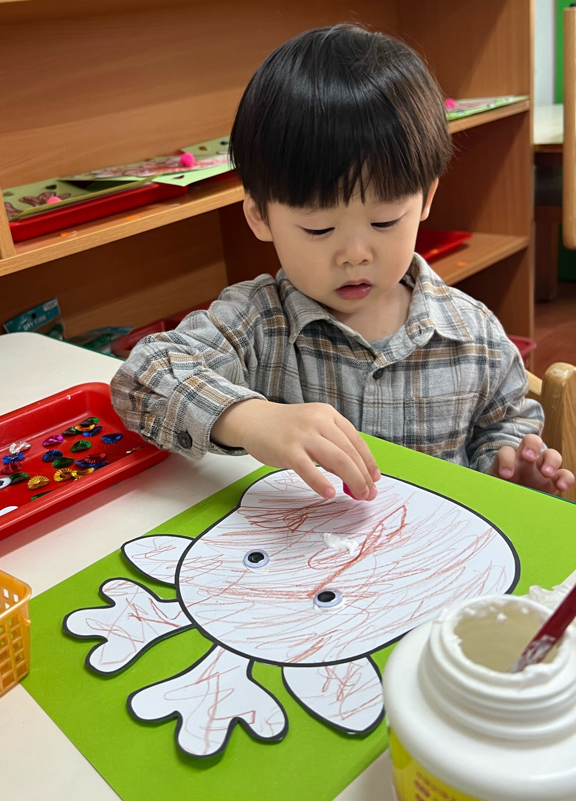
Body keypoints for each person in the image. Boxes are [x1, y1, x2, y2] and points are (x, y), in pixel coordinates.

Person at [111, 25, 574, 501]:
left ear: (426, 198)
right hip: (304, 543)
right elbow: (141, 378)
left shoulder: (473, 335)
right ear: (260, 216)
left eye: (385, 221)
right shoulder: (258, 322)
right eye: (319, 229)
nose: (355, 253)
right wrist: (250, 419)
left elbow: (505, 425)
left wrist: (509, 468)